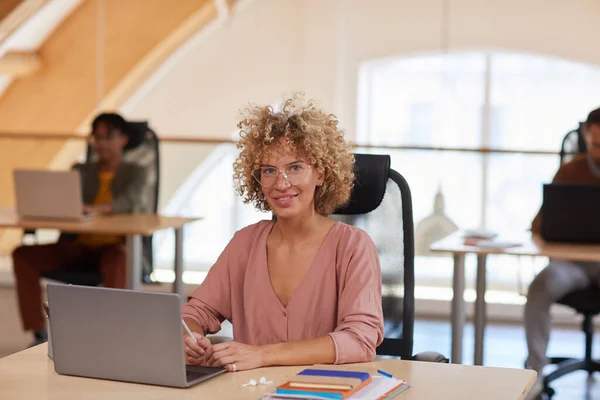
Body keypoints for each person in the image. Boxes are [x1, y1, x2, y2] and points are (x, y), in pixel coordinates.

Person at [181, 95, 384, 372]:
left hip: (327, 389)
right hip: (251, 391)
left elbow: (360, 340)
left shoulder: (353, 246)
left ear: (321, 174)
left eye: (295, 167)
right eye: (269, 170)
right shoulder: (245, 243)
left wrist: (262, 355)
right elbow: (196, 313)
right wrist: (189, 337)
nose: (281, 183)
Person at [12, 113, 151, 346]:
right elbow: (65, 199)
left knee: (119, 257)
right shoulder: (81, 170)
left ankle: (114, 331)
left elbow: (131, 202)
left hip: (114, 248)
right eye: (96, 137)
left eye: (107, 137)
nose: (101, 143)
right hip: (78, 246)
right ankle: (38, 332)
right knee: (22, 255)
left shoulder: (137, 172)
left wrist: (95, 210)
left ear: (123, 139)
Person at [525, 107, 600, 398]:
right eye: (596, 144)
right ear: (586, 138)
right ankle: (535, 374)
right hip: (573, 265)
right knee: (539, 287)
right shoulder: (570, 171)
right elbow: (538, 226)